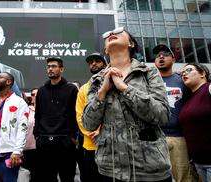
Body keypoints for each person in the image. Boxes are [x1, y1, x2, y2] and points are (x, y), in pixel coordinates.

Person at [82, 27, 172, 182]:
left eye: (117, 31)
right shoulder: (97, 80)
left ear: (131, 43)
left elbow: (162, 115)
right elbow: (88, 124)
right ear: (105, 49)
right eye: (107, 34)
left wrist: (124, 88)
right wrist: (102, 92)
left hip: (150, 169)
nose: (111, 34)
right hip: (110, 170)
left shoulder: (148, 72)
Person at [153, 44, 198, 182]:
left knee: (183, 177)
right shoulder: (149, 82)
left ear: (173, 59)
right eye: (157, 55)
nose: (161, 57)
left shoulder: (184, 81)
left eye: (165, 54)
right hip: (155, 138)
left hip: (179, 138)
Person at [33, 57, 78, 182]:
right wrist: (37, 135)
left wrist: (72, 137)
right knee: (46, 177)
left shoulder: (71, 89)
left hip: (65, 140)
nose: (50, 69)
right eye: (48, 67)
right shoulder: (41, 90)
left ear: (61, 69)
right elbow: (38, 114)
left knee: (67, 176)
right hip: (44, 140)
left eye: (54, 66)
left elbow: (75, 113)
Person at [75, 52, 107, 182]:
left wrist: (101, 132)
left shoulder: (115, 83)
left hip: (111, 146)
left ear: (105, 63)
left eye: (97, 61)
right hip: (90, 146)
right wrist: (93, 133)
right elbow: (80, 116)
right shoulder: (83, 89)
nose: (93, 63)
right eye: (90, 62)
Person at [179, 63, 211, 182]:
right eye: (183, 72)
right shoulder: (190, 99)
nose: (184, 73)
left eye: (189, 70)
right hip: (199, 163)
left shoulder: (208, 88)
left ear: (202, 73)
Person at [22, 88, 38, 182]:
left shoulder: (48, 110)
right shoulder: (26, 110)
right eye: (32, 94)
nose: (35, 96)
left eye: (37, 94)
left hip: (43, 148)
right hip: (28, 148)